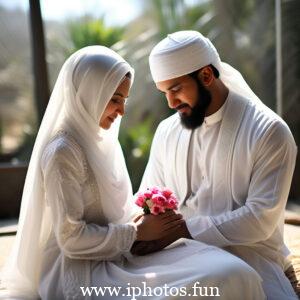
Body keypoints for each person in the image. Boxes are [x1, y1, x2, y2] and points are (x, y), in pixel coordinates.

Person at [0, 46, 265, 300]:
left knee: (232, 269)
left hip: (120, 252)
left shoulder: (99, 137)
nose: (122, 111)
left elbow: (117, 212)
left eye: (124, 100)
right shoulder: (62, 152)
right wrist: (136, 233)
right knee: (203, 284)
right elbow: (71, 239)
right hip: (82, 271)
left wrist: (147, 220)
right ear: (90, 93)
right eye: (115, 99)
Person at [136, 31, 298, 299]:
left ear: (207, 76)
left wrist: (181, 229)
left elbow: (260, 219)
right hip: (175, 253)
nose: (170, 102)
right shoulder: (166, 130)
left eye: (175, 89)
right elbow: (147, 194)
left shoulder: (268, 131)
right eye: (164, 91)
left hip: (247, 255)